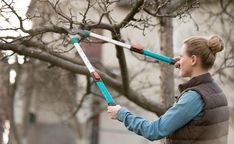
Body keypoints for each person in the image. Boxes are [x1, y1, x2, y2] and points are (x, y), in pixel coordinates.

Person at [107, 35, 229, 144]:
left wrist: (121, 114)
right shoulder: (216, 92)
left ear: (193, 60)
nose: (178, 60)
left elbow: (153, 131)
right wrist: (184, 65)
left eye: (181, 56)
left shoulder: (194, 97)